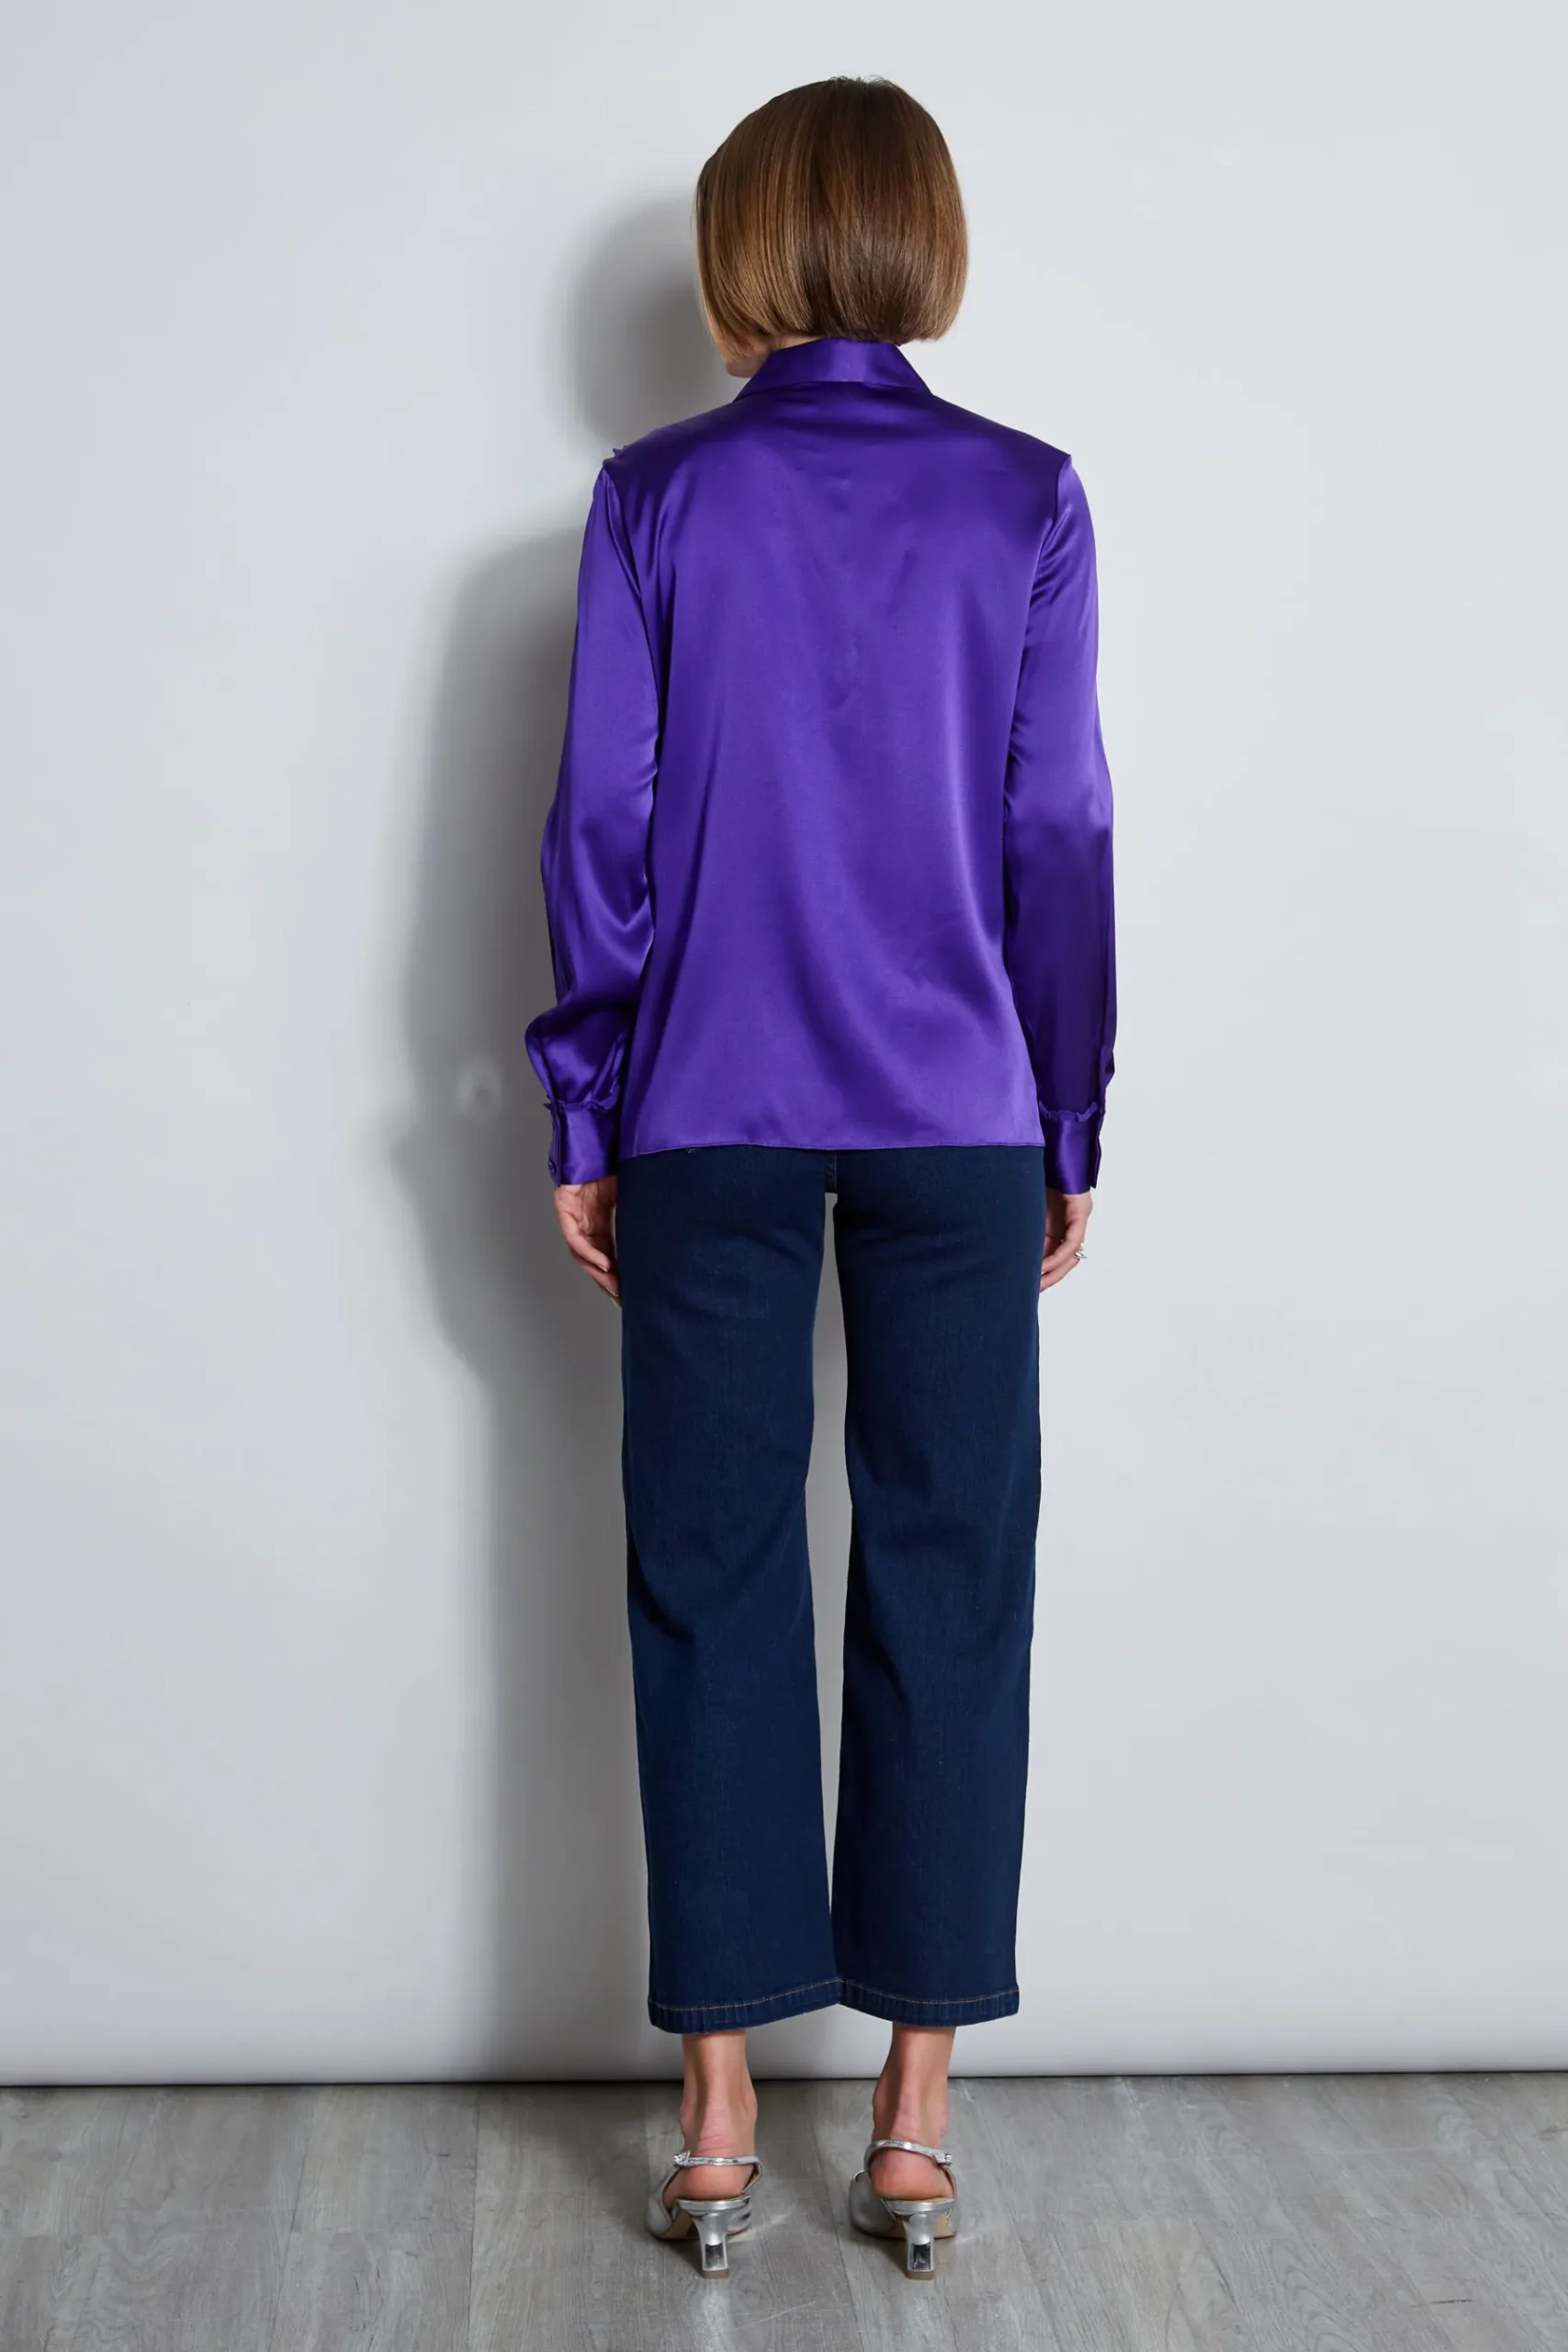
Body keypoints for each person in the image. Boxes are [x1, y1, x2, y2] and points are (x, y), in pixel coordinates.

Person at [525, 74, 1116, 2280]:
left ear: (742, 252)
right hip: (959, 1104)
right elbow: (1055, 827)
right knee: (952, 1574)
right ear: (920, 243)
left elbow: (603, 825)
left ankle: (711, 2113)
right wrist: (1067, 1110)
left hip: (710, 1100)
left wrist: (586, 1104)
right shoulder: (1025, 496)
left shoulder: (656, 495)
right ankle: (912, 2116)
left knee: (706, 1570)